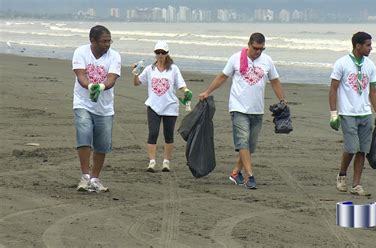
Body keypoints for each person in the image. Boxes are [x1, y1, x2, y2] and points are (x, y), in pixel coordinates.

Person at [199, 32, 286, 189]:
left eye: (262, 49)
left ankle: (235, 173)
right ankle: (250, 176)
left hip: (257, 109)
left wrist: (282, 100)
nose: (259, 51)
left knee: (250, 146)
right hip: (238, 107)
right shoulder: (236, 58)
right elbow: (222, 77)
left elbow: (275, 81)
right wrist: (207, 92)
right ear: (249, 45)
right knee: (243, 141)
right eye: (256, 48)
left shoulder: (267, 61)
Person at [328, 31, 376, 196]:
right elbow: (333, 88)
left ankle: (356, 184)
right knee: (352, 147)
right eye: (368, 45)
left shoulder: (370, 65)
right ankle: (342, 174)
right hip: (348, 113)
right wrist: (334, 113)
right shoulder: (342, 63)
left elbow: (373, 91)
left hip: (365, 112)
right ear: (358, 45)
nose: (371, 48)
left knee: (362, 149)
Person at [72, 25, 121, 192]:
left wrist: (100, 87)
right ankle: (85, 176)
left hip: (105, 107)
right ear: (92, 40)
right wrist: (91, 86)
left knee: (102, 143)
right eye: (104, 41)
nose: (107, 44)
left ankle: (95, 178)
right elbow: (81, 76)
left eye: (109, 41)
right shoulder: (81, 52)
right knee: (84, 133)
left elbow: (112, 79)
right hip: (83, 102)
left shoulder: (114, 56)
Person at [132, 41, 192, 173]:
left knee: (168, 135)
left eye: (163, 52)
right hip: (153, 106)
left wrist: (186, 91)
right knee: (153, 133)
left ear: (167, 54)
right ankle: (152, 161)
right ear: (155, 54)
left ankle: (166, 162)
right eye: (158, 52)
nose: (160, 55)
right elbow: (137, 83)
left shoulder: (173, 69)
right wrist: (135, 73)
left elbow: (180, 85)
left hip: (170, 106)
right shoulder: (149, 69)